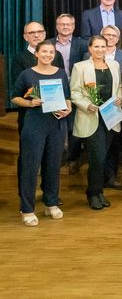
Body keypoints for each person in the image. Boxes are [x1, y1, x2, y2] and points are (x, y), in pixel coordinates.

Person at [11, 40, 72, 226]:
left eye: (51, 52)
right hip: (34, 123)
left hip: (56, 124)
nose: (48, 55)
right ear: (36, 53)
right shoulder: (27, 74)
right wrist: (30, 103)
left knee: (53, 165)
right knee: (31, 167)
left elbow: (67, 98)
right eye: (44, 51)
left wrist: (68, 109)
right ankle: (27, 209)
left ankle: (51, 203)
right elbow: (14, 97)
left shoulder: (61, 73)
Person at [11, 22, 65, 199]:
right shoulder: (20, 58)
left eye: (40, 31)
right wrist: (30, 102)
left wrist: (66, 106)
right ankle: (25, 195)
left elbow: (63, 90)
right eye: (31, 32)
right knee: (29, 159)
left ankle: (49, 196)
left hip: (53, 118)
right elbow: (16, 92)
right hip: (30, 117)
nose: (36, 35)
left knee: (51, 160)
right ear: (25, 36)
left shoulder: (54, 57)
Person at [70, 35, 122, 210]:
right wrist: (87, 105)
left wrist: (120, 99)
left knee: (103, 157)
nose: (100, 50)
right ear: (90, 48)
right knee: (97, 158)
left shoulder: (114, 65)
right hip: (91, 117)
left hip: (110, 117)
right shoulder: (80, 67)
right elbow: (75, 92)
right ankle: (92, 193)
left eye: (103, 46)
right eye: (97, 47)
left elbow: (119, 87)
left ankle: (99, 192)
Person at [48, 13, 88, 175]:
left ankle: (73, 158)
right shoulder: (48, 44)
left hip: (75, 88)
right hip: (54, 88)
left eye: (68, 24)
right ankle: (57, 157)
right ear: (57, 26)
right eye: (62, 24)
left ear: (73, 26)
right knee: (55, 124)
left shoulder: (82, 44)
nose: (65, 27)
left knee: (73, 126)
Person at [98, 25, 122, 190]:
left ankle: (110, 177)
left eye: (113, 35)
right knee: (97, 143)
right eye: (106, 35)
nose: (110, 38)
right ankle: (97, 178)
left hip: (116, 106)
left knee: (113, 143)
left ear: (118, 39)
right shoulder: (90, 54)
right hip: (95, 106)